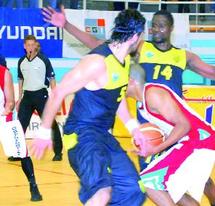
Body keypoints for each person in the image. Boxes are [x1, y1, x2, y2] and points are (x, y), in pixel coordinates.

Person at [41, 7, 215, 205]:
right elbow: (102, 46)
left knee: (185, 183)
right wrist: (67, 26)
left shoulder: (183, 56)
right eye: (153, 26)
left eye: (161, 26)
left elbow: (211, 72)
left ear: (171, 29)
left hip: (179, 130)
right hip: (151, 131)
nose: (156, 30)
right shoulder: (139, 48)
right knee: (148, 186)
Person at [31, 9, 147, 206]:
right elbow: (58, 92)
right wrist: (43, 132)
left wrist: (133, 127)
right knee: (101, 191)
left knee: (132, 190)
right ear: (136, 36)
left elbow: (116, 98)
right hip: (82, 134)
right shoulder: (97, 62)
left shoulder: (124, 61)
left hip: (103, 135)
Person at [126, 64, 215, 206]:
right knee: (169, 189)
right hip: (196, 141)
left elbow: (184, 125)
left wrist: (156, 149)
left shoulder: (152, 95)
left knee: (149, 182)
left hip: (198, 141)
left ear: (131, 80)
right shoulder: (143, 102)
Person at [15, 35, 63, 162]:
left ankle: (58, 152)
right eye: (28, 45)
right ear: (24, 46)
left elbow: (52, 79)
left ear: (36, 45)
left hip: (41, 95)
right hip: (27, 96)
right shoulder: (21, 61)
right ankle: (18, 152)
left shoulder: (44, 60)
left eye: (33, 44)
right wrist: (19, 98)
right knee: (20, 125)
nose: (30, 47)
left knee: (50, 123)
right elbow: (20, 80)